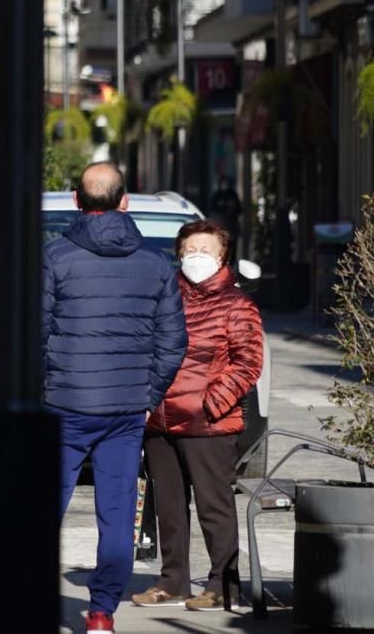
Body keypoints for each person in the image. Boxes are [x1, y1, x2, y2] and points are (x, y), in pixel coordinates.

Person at [42, 162, 188, 634]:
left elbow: (32, 332)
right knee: (117, 511)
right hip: (125, 409)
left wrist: (45, 385)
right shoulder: (156, 263)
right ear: (125, 201)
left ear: (75, 201)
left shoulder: (54, 257)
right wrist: (148, 394)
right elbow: (173, 341)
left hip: (63, 404)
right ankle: (102, 612)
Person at [131, 220, 263, 612]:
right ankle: (172, 581)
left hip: (208, 424)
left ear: (222, 255)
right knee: (169, 507)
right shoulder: (164, 295)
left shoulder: (237, 304)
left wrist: (211, 402)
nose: (196, 257)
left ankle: (223, 584)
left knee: (214, 506)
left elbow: (248, 363)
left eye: (205, 250)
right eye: (189, 250)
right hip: (160, 419)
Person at [208, 176, 242, 247]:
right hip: (221, 225)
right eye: (223, 183)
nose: (224, 185)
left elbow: (239, 209)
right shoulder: (217, 195)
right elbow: (213, 208)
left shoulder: (233, 195)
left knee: (232, 245)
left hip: (231, 225)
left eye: (226, 183)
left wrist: (232, 210)